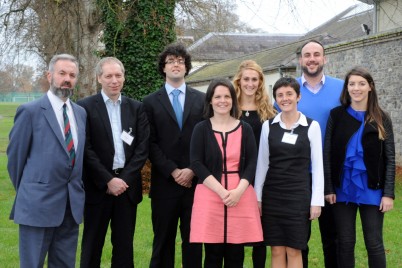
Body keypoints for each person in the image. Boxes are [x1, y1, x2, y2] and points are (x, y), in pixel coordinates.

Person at [7, 54, 86, 268]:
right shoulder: (30, 112)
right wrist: (32, 190)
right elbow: (15, 160)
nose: (67, 79)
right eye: (62, 73)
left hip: (71, 208)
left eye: (72, 75)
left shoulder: (80, 113)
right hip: (37, 207)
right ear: (49, 75)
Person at [78, 57, 149, 267]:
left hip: (127, 190)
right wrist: (108, 180)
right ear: (99, 78)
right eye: (108, 76)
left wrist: (122, 180)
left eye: (118, 75)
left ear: (124, 77)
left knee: (124, 247)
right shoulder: (85, 107)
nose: (114, 80)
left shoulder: (136, 108)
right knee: (92, 246)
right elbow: (86, 148)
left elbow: (142, 148)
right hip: (97, 188)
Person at [324, 67, 395, 268]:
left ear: (370, 87)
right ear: (346, 88)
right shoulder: (336, 116)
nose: (356, 88)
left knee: (374, 243)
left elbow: (390, 157)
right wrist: (328, 188)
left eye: (361, 84)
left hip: (373, 189)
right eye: (352, 84)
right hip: (341, 190)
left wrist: (388, 193)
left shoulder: (382, 118)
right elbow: (327, 153)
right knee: (345, 243)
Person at [190, 78, 263, 267]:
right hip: (210, 194)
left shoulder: (245, 128)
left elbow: (253, 162)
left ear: (233, 100)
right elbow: (197, 163)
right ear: (210, 101)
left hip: (240, 194)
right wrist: (222, 192)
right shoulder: (201, 129)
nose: (223, 101)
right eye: (218, 97)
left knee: (236, 254)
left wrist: (238, 191)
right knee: (212, 255)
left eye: (227, 96)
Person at [143, 43, 204, 268]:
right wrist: (173, 170)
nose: (176, 64)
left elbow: (206, 140)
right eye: (171, 61)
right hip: (164, 185)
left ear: (186, 67)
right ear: (163, 68)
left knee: (194, 243)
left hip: (195, 184)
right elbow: (149, 142)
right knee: (163, 243)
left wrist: (191, 169)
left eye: (180, 61)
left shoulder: (202, 99)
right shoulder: (149, 102)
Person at [255, 77, 324, 268]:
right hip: (273, 196)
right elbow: (262, 164)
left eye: (289, 94)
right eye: (280, 95)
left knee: (294, 249)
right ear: (275, 99)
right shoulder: (268, 126)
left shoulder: (312, 126)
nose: (284, 99)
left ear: (298, 96)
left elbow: (318, 167)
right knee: (276, 249)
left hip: (298, 196)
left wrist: (316, 201)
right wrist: (257, 197)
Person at [297, 40, 344, 268]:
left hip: (331, 173)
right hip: (298, 174)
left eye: (317, 54)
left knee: (332, 237)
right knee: (299, 238)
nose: (312, 58)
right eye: (307, 55)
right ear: (300, 60)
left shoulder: (342, 88)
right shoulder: (289, 91)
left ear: (324, 58)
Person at [233, 59, 276, 268]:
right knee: (237, 236)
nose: (250, 84)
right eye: (246, 79)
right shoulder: (229, 109)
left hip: (261, 179)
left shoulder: (269, 113)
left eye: (255, 80)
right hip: (235, 179)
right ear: (239, 81)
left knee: (260, 236)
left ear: (260, 83)